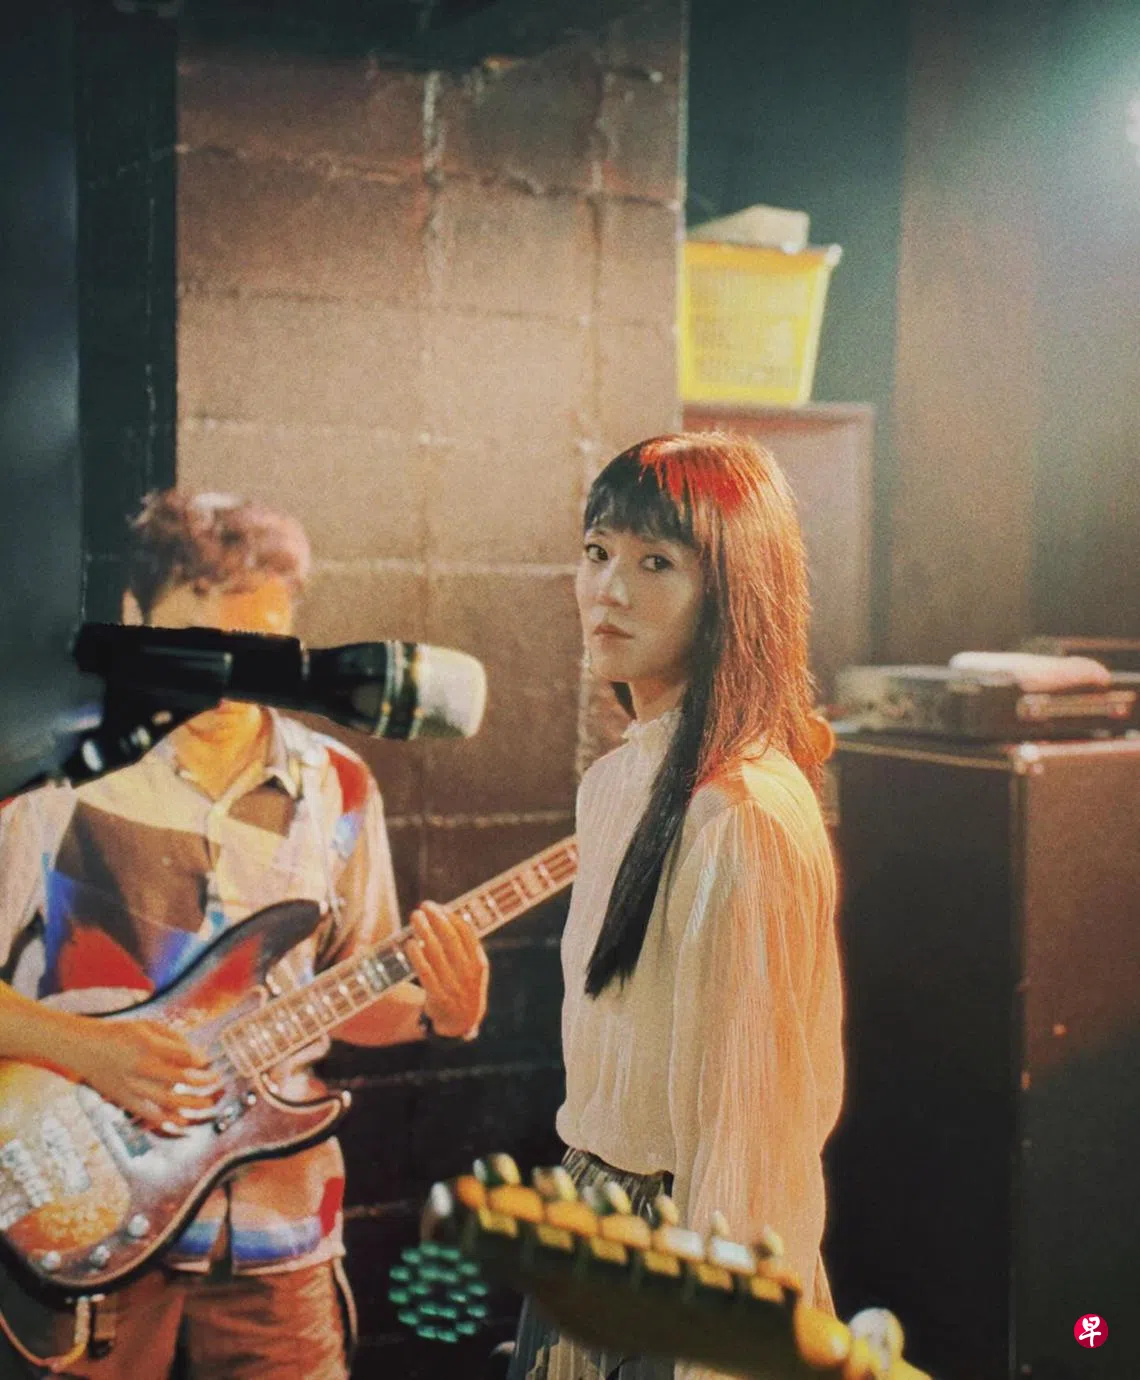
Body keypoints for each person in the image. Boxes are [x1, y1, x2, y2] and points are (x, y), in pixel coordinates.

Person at [0, 490, 489, 1378]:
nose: (224, 676)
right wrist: (91, 1049)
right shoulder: (53, 783)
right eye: (196, 640)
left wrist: (438, 1014)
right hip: (90, 1224)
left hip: (277, 1233)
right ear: (134, 616)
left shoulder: (337, 785)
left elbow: (344, 999)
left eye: (256, 648)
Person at [508, 434, 845, 1380]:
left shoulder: (743, 816)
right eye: (597, 552)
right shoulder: (619, 781)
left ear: (733, 593)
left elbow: (755, 1138)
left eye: (655, 562)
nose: (607, 590)